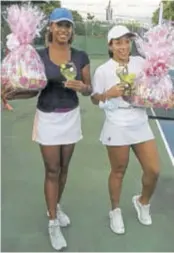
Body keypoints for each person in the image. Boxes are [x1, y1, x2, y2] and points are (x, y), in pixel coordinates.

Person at [32, 8, 91, 250]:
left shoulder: (80, 56)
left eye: (68, 26)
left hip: (71, 116)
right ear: (51, 28)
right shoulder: (38, 56)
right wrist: (11, 92)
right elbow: (31, 88)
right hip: (47, 117)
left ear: (71, 30)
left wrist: (81, 86)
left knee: (65, 168)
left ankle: (55, 205)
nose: (64, 30)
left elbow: (89, 89)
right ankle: (53, 222)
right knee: (52, 169)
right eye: (59, 25)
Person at [91, 25, 160, 235]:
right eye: (118, 42)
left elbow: (155, 80)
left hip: (139, 120)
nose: (123, 46)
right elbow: (95, 99)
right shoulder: (103, 70)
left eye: (127, 42)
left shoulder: (140, 63)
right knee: (119, 171)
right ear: (110, 46)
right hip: (116, 123)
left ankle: (142, 202)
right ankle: (115, 210)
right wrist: (108, 93)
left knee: (154, 170)